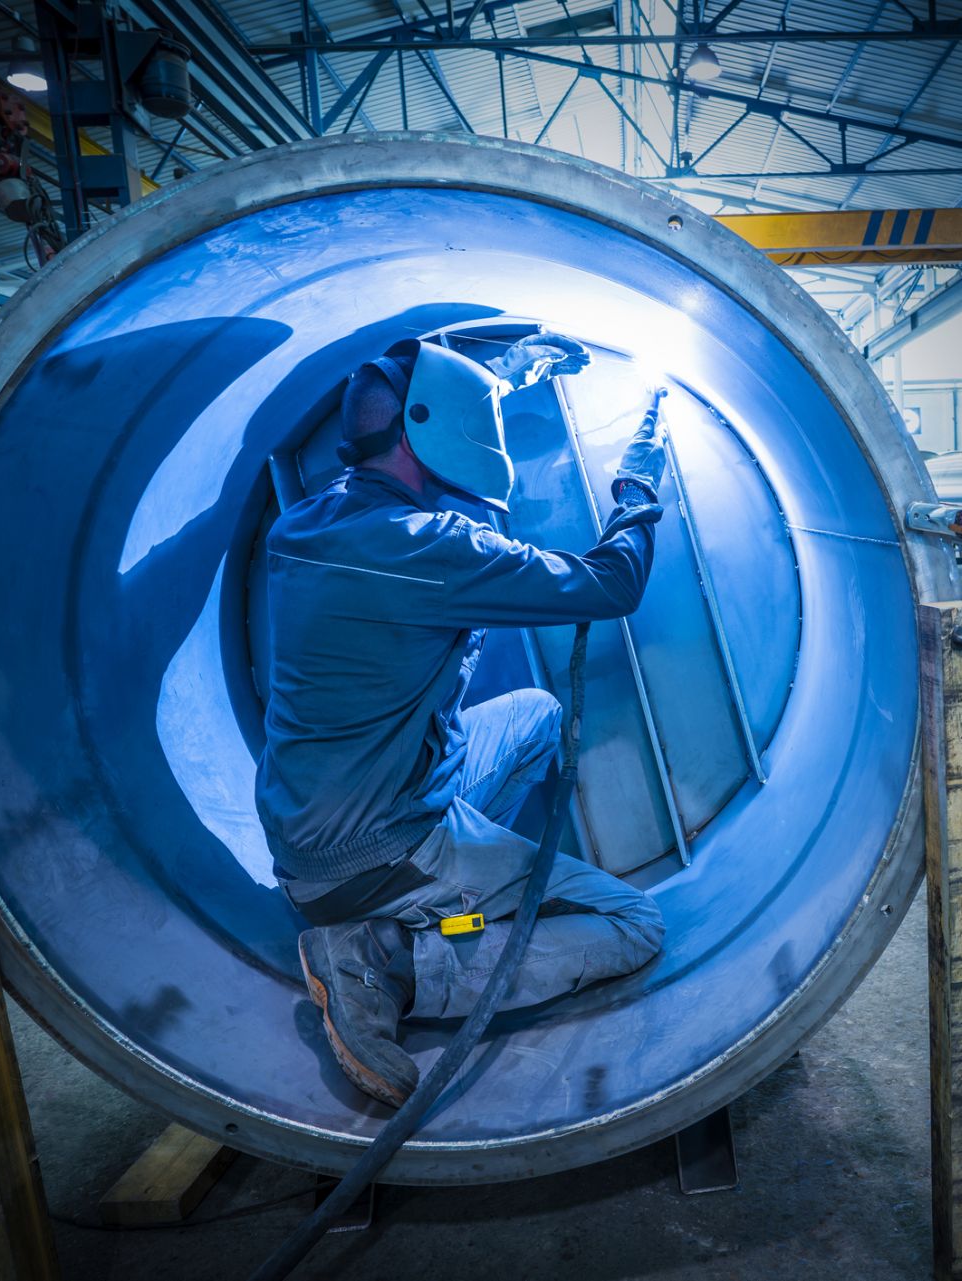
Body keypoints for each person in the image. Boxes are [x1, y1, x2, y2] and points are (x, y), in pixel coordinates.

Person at [255, 329, 668, 1107]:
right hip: (372, 854)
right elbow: (609, 586)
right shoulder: (430, 548)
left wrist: (501, 383)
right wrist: (638, 490)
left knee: (535, 713)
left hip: (309, 828)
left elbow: (415, 428)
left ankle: (442, 908)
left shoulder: (305, 525)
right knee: (631, 922)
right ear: (425, 429)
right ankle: (397, 957)